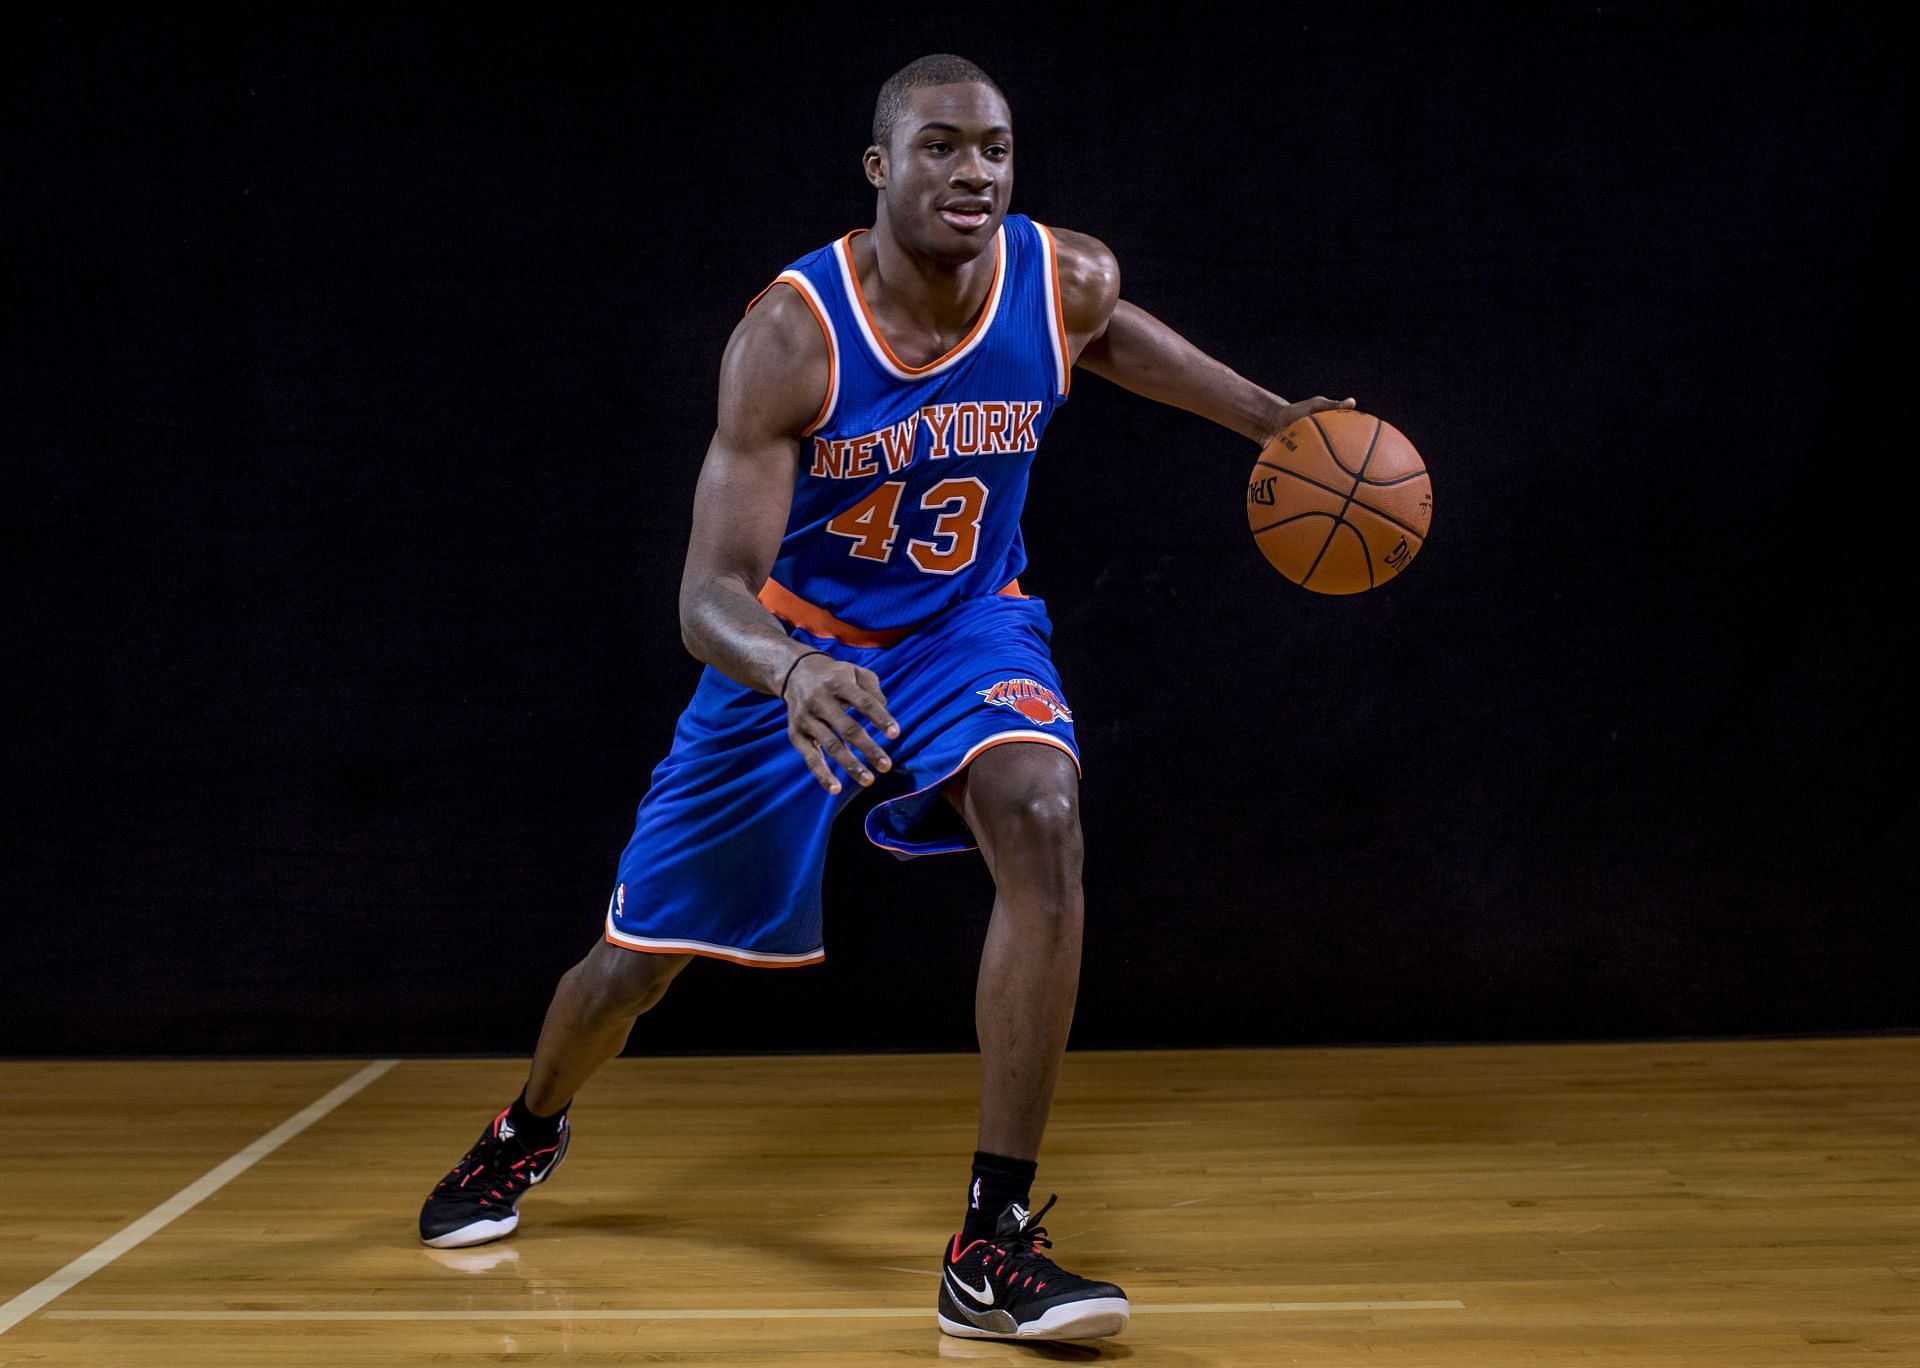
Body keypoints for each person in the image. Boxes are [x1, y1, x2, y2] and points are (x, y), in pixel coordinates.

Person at [417, 53, 1352, 1343]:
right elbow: (705, 596)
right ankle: (527, 1127)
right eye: (942, 147)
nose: (974, 172)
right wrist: (794, 670)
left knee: (1041, 812)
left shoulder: (1058, 273)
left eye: (996, 149)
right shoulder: (793, 337)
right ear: (880, 167)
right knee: (628, 974)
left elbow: (1106, 336)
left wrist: (1264, 419)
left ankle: (992, 1240)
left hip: (967, 625)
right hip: (792, 657)